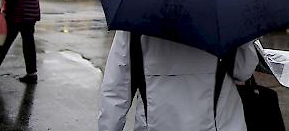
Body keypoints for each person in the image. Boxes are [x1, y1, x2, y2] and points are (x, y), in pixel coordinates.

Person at [98, 31, 258, 131]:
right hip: (222, 124)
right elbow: (243, 71)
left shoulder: (136, 11)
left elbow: (116, 90)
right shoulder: (226, 9)